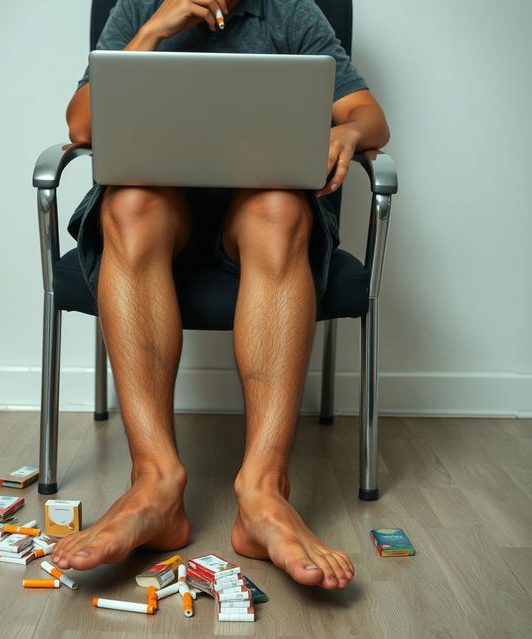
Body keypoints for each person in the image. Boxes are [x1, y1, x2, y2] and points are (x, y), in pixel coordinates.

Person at [51, 0, 390, 590]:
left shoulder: (290, 13)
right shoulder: (138, 9)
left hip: (257, 214)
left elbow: (369, 115)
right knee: (130, 203)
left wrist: (348, 129)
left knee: (280, 209)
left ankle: (263, 493)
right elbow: (82, 126)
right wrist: (156, 29)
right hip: (158, 215)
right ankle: (155, 484)